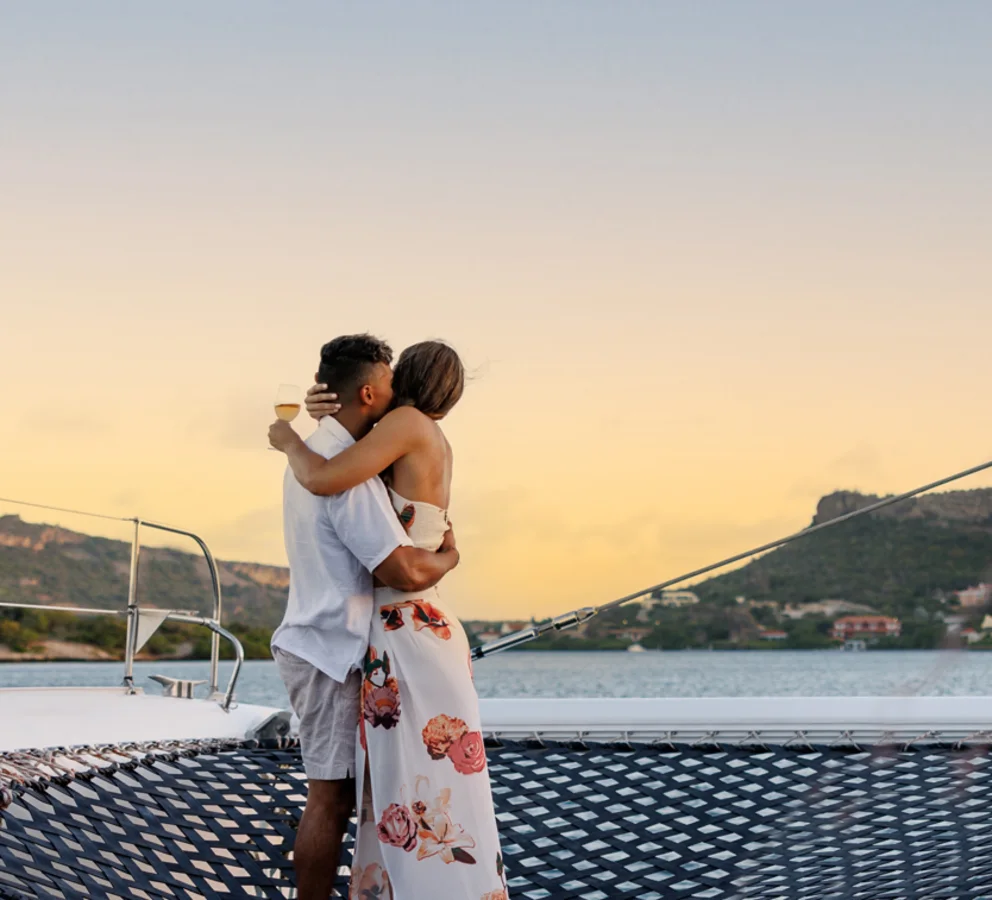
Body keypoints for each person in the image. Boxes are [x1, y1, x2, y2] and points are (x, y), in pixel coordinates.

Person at [270, 339, 509, 900]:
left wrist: (289, 437)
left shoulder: (359, 446)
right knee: (399, 790)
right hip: (361, 639)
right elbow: (402, 560)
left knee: (401, 789)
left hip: (388, 632)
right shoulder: (386, 442)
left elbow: (395, 563)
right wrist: (450, 557)